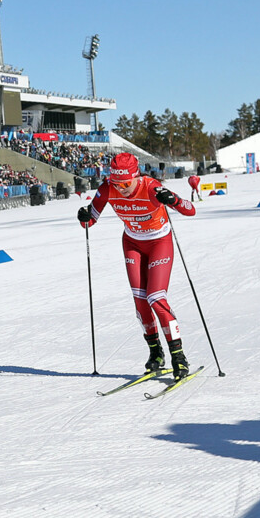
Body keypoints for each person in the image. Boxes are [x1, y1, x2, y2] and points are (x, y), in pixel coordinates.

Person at [77, 152, 198, 380]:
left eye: (125, 183)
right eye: (116, 183)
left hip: (159, 242)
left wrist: (172, 200)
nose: (121, 188)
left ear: (136, 176)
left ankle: (178, 356)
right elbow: (91, 219)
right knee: (140, 300)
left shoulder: (152, 188)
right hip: (132, 243)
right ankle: (156, 354)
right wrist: (84, 216)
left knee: (156, 298)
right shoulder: (106, 189)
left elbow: (190, 209)